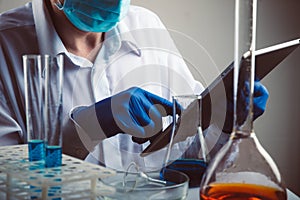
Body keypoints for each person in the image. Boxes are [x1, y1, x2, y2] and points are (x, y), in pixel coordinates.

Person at [0, 0, 268, 172]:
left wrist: (223, 125)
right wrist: (91, 126)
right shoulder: (5, 46)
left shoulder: (146, 25)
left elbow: (188, 153)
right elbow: (9, 180)